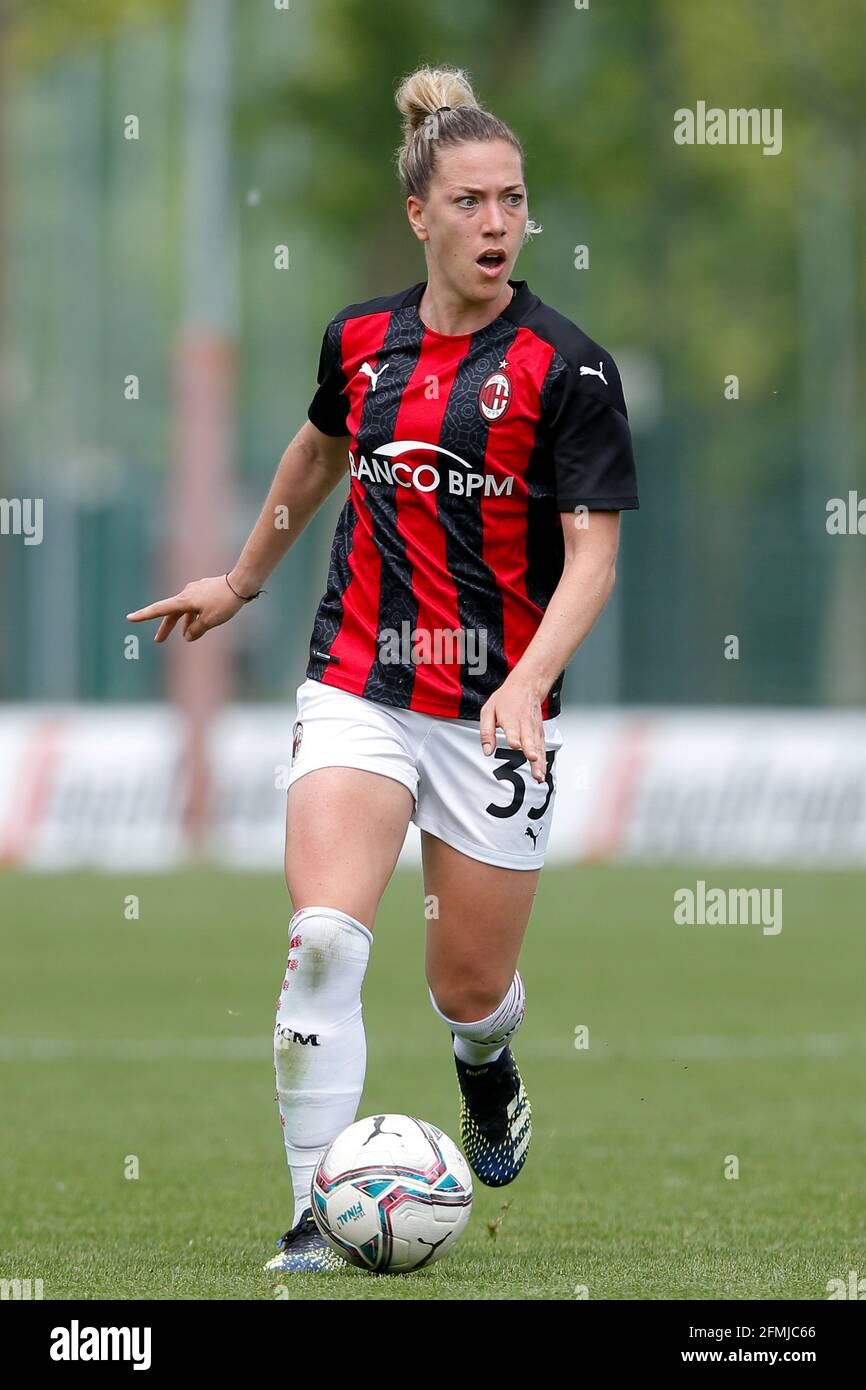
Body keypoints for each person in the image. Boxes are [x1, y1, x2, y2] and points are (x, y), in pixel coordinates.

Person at [128, 63, 638, 1274]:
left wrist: (524, 680)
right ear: (420, 213)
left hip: (490, 718)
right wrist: (238, 579)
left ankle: (487, 1065)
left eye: (512, 199)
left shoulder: (569, 370)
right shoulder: (360, 340)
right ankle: (314, 1210)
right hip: (355, 681)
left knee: (466, 987)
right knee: (321, 940)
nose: (498, 223)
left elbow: (592, 559)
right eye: (470, 200)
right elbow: (314, 455)